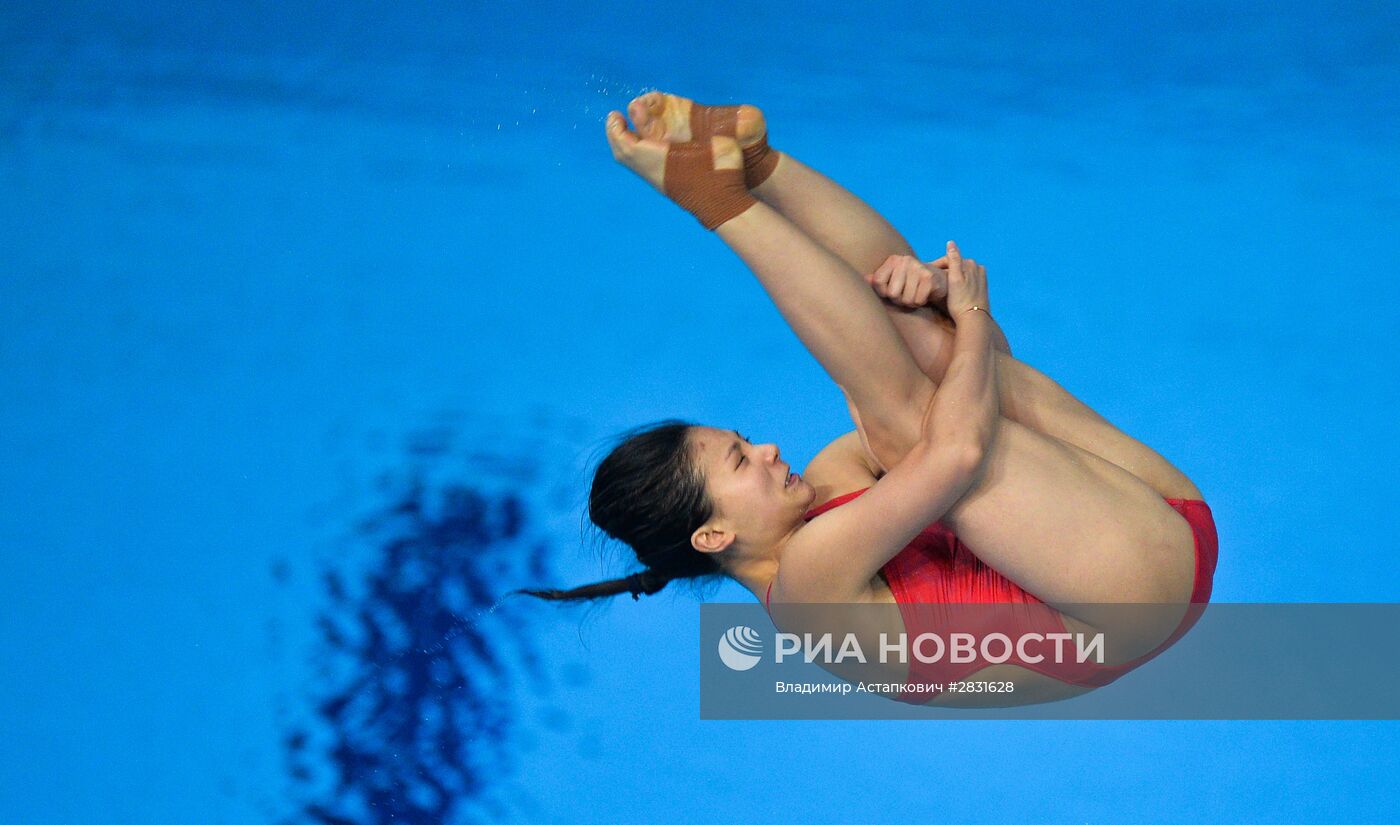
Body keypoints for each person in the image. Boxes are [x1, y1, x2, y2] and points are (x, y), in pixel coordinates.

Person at [517, 92, 1217, 707]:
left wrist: (944, 306)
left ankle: (755, 163)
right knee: (912, 423)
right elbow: (958, 448)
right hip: (1135, 595)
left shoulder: (827, 487)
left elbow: (966, 388)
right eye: (739, 462)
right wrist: (973, 316)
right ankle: (718, 198)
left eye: (744, 441)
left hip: (1155, 524)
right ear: (712, 537)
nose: (766, 449)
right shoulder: (808, 592)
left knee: (920, 353)